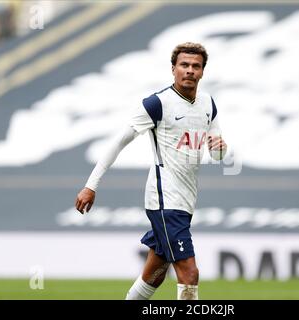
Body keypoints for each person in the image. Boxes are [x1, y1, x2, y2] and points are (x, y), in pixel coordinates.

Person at [75, 42, 227, 300]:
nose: (189, 70)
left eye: (195, 66)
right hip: (165, 200)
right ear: (173, 69)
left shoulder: (207, 104)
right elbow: (118, 142)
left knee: (155, 273)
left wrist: (221, 148)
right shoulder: (157, 104)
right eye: (184, 65)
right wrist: (91, 185)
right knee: (190, 274)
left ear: (202, 71)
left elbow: (217, 153)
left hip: (186, 202)